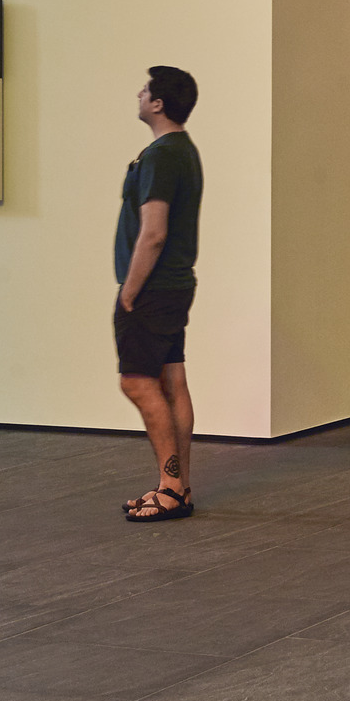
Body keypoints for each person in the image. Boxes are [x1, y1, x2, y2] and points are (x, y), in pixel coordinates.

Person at [115, 64, 204, 522]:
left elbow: (152, 233)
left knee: (137, 381)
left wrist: (129, 291)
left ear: (158, 103)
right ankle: (179, 487)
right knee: (171, 381)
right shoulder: (181, 151)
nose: (139, 93)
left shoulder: (162, 156)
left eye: (145, 89)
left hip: (153, 288)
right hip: (174, 286)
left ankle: (170, 488)